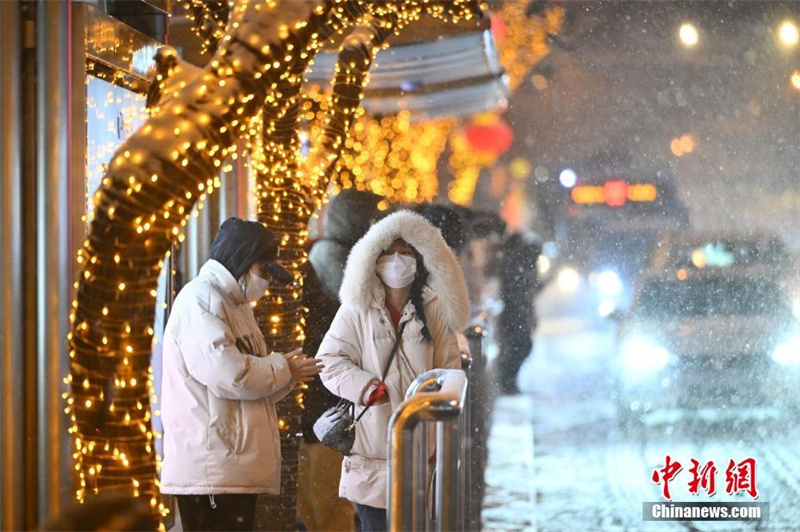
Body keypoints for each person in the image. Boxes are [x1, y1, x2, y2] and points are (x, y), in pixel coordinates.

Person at [160, 217, 323, 532]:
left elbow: (248, 383)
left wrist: (287, 373)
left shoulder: (235, 305)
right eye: (264, 271)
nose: (267, 282)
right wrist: (282, 368)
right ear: (244, 263)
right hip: (211, 469)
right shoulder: (201, 300)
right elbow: (229, 374)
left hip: (230, 465)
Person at [316, 210, 471, 531]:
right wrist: (364, 386)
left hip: (420, 445)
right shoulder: (357, 308)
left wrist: (440, 432)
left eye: (407, 253)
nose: (398, 261)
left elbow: (450, 370)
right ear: (374, 258)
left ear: (421, 259)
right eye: (390, 253)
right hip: (372, 446)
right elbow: (329, 359)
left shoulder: (434, 308)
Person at [298, 189, 381, 532]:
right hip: (326, 401)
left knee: (333, 500)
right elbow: (356, 319)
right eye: (370, 217)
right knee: (330, 501)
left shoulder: (339, 255)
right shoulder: (335, 259)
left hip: (332, 398)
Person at [497, 232, 545, 394]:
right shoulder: (518, 267)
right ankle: (507, 380)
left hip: (518, 314)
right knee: (521, 346)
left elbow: (529, 294)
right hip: (514, 314)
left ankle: (509, 380)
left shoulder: (520, 267)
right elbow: (521, 294)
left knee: (520, 346)